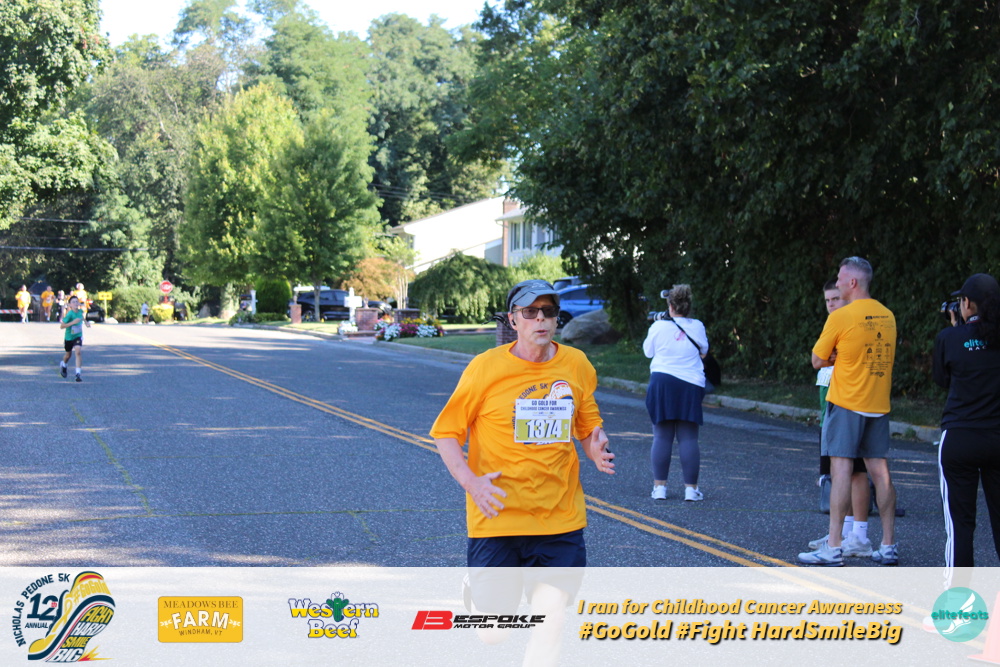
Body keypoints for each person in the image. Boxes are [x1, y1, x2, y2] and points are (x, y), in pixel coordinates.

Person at [799, 256, 898, 566]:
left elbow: (817, 360)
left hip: (847, 402)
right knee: (880, 473)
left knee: (840, 471)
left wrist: (837, 358)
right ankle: (888, 545)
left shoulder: (841, 316)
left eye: (841, 278)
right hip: (878, 403)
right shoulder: (887, 315)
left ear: (852, 282)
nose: (838, 282)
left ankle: (833, 546)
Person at [933, 273, 1000, 580]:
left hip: (960, 437)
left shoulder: (949, 338)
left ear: (967, 303)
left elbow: (942, 380)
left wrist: (957, 330)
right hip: (996, 436)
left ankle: (957, 601)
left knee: (959, 525)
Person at [811, 280, 873, 557]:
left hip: (850, 405)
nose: (831, 305)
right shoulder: (833, 324)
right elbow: (820, 358)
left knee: (855, 472)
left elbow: (819, 358)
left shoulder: (852, 324)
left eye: (835, 299)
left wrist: (830, 357)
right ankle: (843, 532)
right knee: (838, 473)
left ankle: (859, 535)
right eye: (827, 300)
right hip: (830, 407)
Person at [644, 284, 707, 502]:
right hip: (690, 384)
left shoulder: (658, 327)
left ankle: (659, 488)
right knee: (688, 437)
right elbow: (704, 351)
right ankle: (691, 490)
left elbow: (648, 352)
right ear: (688, 306)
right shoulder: (698, 326)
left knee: (662, 436)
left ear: (670, 306)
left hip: (662, 382)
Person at [59, 294, 90, 382]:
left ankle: (78, 374)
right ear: (70, 305)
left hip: (78, 336)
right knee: (68, 355)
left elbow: (82, 317)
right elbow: (62, 326)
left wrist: (86, 323)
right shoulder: (69, 314)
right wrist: (73, 322)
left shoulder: (80, 311)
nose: (76, 303)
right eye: (73, 302)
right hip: (69, 337)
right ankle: (64, 365)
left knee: (78, 352)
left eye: (77, 301)